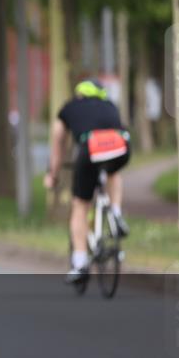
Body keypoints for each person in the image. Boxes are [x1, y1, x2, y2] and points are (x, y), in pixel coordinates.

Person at [44, 79, 131, 284]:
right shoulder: (110, 105)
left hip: (90, 147)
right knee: (113, 172)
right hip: (121, 145)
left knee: (80, 206)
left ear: (79, 94)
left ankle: (80, 263)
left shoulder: (69, 107)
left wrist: (53, 174)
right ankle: (116, 213)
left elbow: (58, 140)